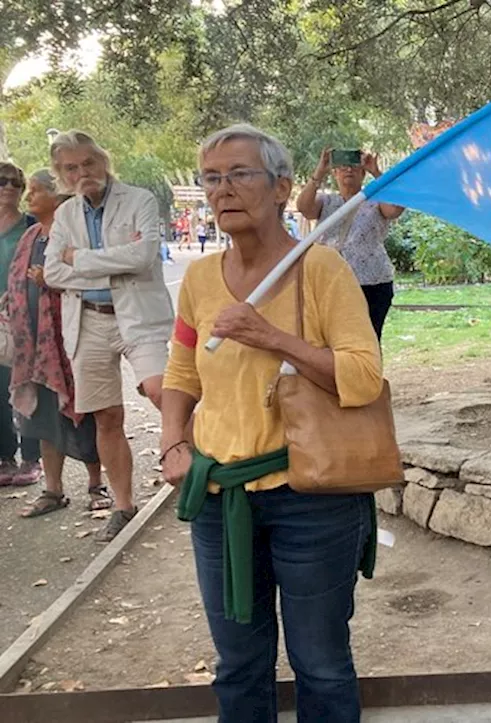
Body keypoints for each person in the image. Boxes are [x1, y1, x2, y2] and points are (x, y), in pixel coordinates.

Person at [161, 124, 383, 722]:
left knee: (322, 664)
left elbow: (363, 376)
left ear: (282, 187)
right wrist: (172, 446)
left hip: (310, 498)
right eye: (212, 178)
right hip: (217, 497)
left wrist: (270, 336)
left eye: (239, 174)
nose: (222, 189)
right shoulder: (200, 279)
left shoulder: (323, 270)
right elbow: (182, 372)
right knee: (237, 665)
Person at [43, 130, 175, 542]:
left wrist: (78, 259)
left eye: (88, 163)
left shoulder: (139, 200)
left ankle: (197, 472)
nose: (83, 173)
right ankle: (123, 505)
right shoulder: (65, 215)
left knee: (162, 392)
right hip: (88, 320)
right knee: (106, 416)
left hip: (136, 316)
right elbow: (52, 272)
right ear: (62, 175)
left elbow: (143, 257)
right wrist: (109, 263)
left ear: (103, 160)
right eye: (71, 168)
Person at [8, 170, 105, 517]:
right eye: (29, 192)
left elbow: (94, 281)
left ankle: (97, 485)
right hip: (34, 347)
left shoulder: (74, 234)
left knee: (85, 414)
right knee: (45, 418)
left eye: (35, 192)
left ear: (56, 196)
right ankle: (53, 490)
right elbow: (19, 281)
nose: (28, 197)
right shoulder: (31, 236)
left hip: (72, 340)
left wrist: (51, 281)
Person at [296, 148, 404, 341]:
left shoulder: (376, 201)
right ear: (334, 173)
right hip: (331, 282)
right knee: (331, 339)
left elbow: (395, 209)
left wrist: (376, 172)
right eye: (342, 167)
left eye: (354, 167)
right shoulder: (326, 201)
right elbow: (304, 208)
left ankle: (367, 371)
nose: (348, 171)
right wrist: (319, 171)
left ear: (362, 173)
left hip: (372, 282)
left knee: (368, 338)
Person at [0, 162, 44, 487]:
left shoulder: (32, 227)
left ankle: (32, 457)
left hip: (25, 316)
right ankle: (5, 456)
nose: (9, 188)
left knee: (26, 385)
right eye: (2, 182)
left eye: (16, 183)